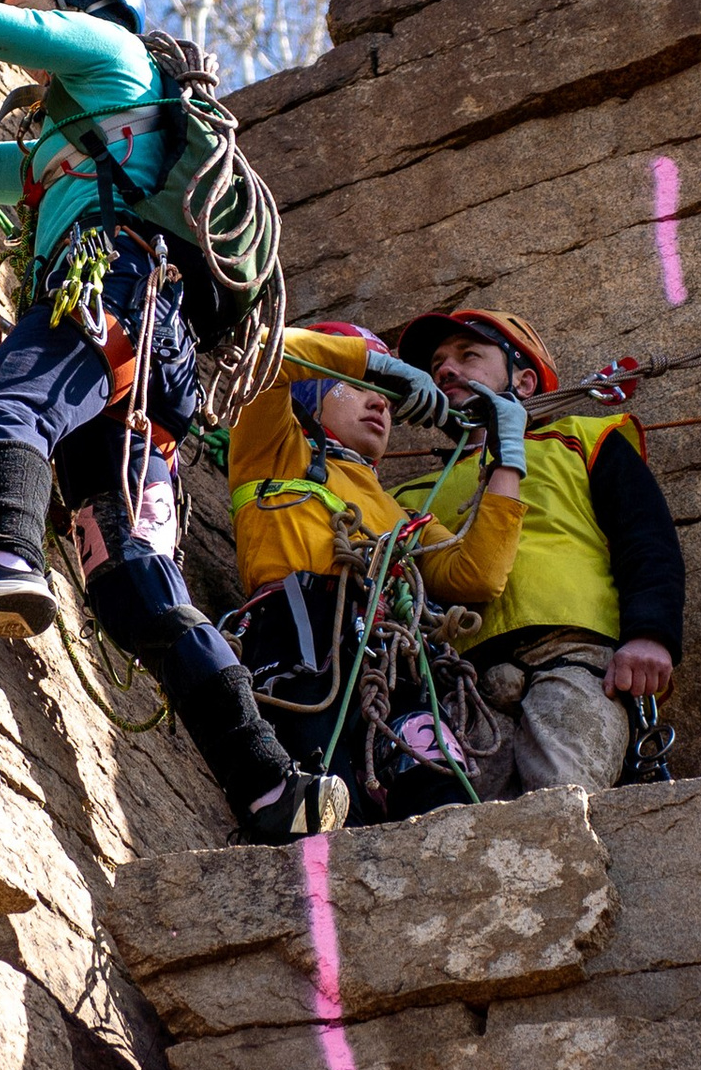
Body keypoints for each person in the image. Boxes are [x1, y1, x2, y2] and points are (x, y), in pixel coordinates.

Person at [0, 0, 342, 842]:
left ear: (85, 7)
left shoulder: (115, 58)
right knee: (131, 582)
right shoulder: (57, 144)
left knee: (4, 412)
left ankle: (8, 560)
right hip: (155, 364)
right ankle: (271, 781)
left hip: (114, 286)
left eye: (44, 6)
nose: (41, 33)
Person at [224, 319, 525, 825]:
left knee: (439, 800)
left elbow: (477, 576)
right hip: (305, 634)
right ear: (310, 394)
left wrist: (507, 458)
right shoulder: (273, 450)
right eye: (361, 388)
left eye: (386, 394)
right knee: (328, 798)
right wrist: (376, 363)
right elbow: (264, 355)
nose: (381, 401)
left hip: (395, 657)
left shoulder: (399, 512)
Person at [397, 305, 684, 792]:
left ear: (525, 382)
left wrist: (650, 636)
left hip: (578, 656)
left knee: (563, 796)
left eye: (469, 355)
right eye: (438, 364)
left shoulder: (582, 441)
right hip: (463, 681)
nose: (446, 369)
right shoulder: (407, 498)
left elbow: (646, 540)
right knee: (457, 823)